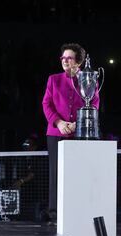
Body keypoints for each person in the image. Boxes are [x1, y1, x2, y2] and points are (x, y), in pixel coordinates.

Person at [42, 43, 99, 225]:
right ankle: (54, 214)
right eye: (63, 58)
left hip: (79, 133)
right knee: (55, 173)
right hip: (55, 133)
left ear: (79, 62)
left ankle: (78, 210)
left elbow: (94, 105)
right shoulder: (53, 79)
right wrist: (59, 123)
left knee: (79, 173)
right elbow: (46, 104)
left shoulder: (89, 80)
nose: (65, 61)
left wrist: (78, 124)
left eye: (69, 58)